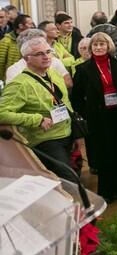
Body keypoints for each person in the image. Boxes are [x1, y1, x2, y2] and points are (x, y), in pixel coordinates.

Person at [71, 32, 117, 201]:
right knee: (104, 155)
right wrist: (87, 113)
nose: (98, 47)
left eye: (102, 44)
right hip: (98, 118)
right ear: (90, 47)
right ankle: (107, 191)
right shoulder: (83, 69)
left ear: (108, 46)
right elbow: (76, 98)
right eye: (95, 45)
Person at [0, 37, 76, 178]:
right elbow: (2, 113)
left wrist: (76, 132)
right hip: (45, 139)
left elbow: (65, 102)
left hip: (66, 133)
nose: (46, 56)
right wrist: (37, 120)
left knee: (71, 179)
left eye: (48, 52)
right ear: (26, 58)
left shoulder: (53, 74)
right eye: (39, 54)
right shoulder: (19, 84)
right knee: (68, 178)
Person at [0, 13, 34, 80]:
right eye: (30, 24)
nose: (32, 26)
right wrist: (3, 79)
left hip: (30, 77)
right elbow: (1, 63)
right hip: (13, 77)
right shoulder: (6, 41)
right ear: (21, 26)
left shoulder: (32, 40)